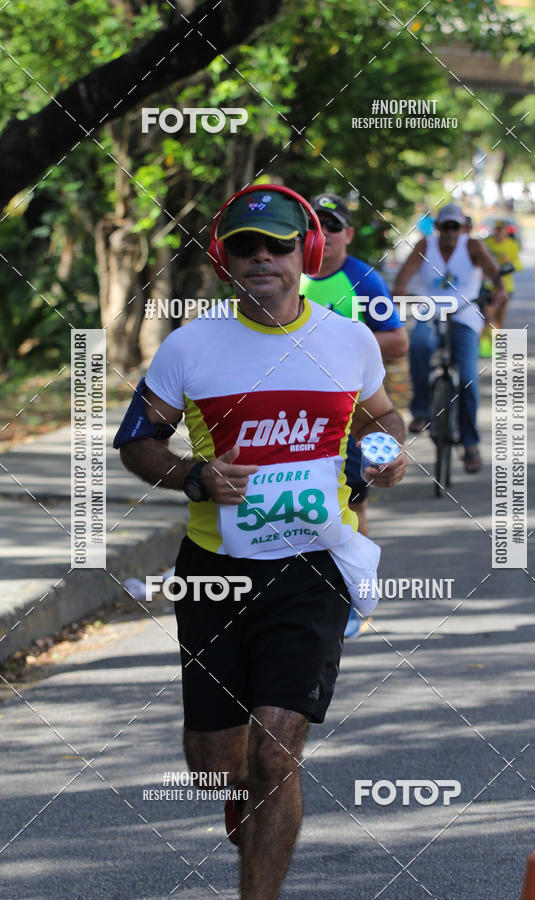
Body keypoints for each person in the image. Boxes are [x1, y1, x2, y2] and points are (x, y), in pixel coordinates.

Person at [115, 184, 408, 900]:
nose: (262, 258)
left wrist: (386, 453)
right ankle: (239, 795)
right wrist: (194, 475)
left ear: (304, 252)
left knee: (277, 749)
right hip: (215, 570)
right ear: (225, 259)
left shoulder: (348, 338)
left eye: (277, 244)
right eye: (245, 246)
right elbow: (136, 441)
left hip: (313, 565)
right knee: (219, 766)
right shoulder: (191, 347)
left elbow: (384, 419)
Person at [300, 193, 407, 636]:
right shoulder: (288, 275)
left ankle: (352, 596)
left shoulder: (362, 278)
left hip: (343, 409)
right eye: (315, 226)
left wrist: (338, 346)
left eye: (333, 226)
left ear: (347, 234)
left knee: (350, 501)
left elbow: (398, 341)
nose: (323, 234)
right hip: (283, 408)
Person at [393, 202, 508, 474]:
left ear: (463, 228)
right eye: (446, 227)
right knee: (419, 345)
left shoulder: (473, 247)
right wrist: (400, 292)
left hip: (465, 313)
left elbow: (495, 275)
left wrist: (499, 291)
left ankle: (470, 444)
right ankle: (421, 409)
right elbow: (403, 278)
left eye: (455, 227)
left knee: (468, 378)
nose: (450, 233)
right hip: (429, 310)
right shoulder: (425, 246)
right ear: (438, 227)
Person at [479, 218, 522, 357]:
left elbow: (518, 265)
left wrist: (508, 264)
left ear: (505, 232)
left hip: (506, 287)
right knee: (488, 314)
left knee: (499, 317)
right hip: (489, 286)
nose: (498, 233)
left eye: (501, 230)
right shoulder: (487, 243)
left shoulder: (512, 245)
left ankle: (496, 346)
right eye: (496, 230)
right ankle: (484, 342)